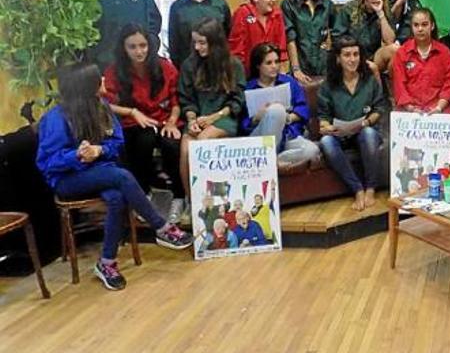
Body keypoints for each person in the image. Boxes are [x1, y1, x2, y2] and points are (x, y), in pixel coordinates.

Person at [36, 63, 192, 291]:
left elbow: (116, 142)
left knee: (117, 196)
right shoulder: (56, 118)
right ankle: (160, 227)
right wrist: (76, 155)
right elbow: (47, 162)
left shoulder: (103, 108)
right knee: (121, 176)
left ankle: (107, 263)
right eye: (97, 79)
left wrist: (99, 151)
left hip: (101, 172)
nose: (102, 80)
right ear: (85, 87)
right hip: (68, 180)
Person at [102, 23, 186, 220]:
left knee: (172, 144)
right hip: (135, 123)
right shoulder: (114, 71)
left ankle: (179, 197)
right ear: (123, 48)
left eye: (143, 45)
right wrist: (131, 112)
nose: (139, 51)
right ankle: (144, 194)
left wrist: (172, 121)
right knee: (143, 140)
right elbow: (104, 104)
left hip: (165, 119)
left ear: (149, 45)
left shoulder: (165, 66)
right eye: (132, 47)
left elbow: (177, 100)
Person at [317, 35, 389, 211]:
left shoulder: (369, 80)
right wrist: (326, 127)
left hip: (365, 129)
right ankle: (357, 189)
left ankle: (370, 188)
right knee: (326, 142)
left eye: (356, 54)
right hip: (340, 134)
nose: (352, 59)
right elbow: (323, 117)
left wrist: (367, 122)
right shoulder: (328, 85)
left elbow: (379, 108)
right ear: (338, 59)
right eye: (347, 55)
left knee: (369, 134)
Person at [178, 18, 245, 205]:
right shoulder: (189, 65)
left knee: (201, 145)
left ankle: (213, 200)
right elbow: (186, 100)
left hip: (224, 117)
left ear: (214, 42)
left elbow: (237, 101)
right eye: (195, 42)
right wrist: (191, 120)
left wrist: (214, 117)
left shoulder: (233, 64)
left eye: (202, 42)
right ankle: (192, 202)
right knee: (185, 149)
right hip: (197, 118)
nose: (197, 47)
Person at [241, 43, 321, 172]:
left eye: (277, 62)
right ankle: (268, 158)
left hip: (287, 136)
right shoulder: (249, 88)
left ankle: (271, 161)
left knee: (312, 150)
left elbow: (303, 109)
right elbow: (242, 125)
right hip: (260, 141)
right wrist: (257, 118)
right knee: (276, 109)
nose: (274, 66)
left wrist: (287, 117)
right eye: (269, 63)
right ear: (258, 66)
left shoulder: (289, 82)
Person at [168, 0, 231, 68]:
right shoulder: (177, 7)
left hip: (218, 67)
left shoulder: (220, 4)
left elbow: (228, 37)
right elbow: (174, 44)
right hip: (190, 69)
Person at [281, 0, 335, 87]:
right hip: (301, 63)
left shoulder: (327, 3)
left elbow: (336, 30)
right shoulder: (288, 4)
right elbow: (290, 38)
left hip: (324, 64)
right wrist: (296, 69)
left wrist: (330, 41)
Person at [391, 8, 450, 114]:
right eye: (416, 25)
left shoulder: (444, 53)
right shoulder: (402, 53)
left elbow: (449, 85)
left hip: (440, 109)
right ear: (411, 28)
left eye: (424, 24)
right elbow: (399, 86)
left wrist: (439, 107)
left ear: (432, 26)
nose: (420, 29)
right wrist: (411, 108)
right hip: (409, 109)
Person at [332, 0, 398, 74]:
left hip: (374, 57)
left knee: (394, 50)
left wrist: (380, 13)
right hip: (352, 56)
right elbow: (337, 39)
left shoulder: (385, 10)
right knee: (372, 68)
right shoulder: (348, 10)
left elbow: (390, 41)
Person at [228, 0, 288, 73]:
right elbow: (236, 50)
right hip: (248, 75)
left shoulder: (277, 15)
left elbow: (281, 48)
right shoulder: (242, 13)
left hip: (272, 74)